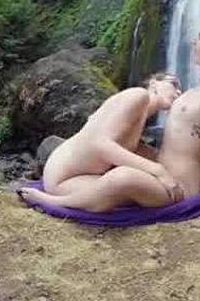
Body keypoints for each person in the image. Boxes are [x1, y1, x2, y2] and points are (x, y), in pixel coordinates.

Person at [19, 18, 200, 213]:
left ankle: (54, 202)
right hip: (161, 175)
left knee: (122, 177)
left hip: (182, 186)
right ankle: (71, 190)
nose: (193, 42)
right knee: (120, 173)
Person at [27, 73, 185, 205]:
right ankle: (52, 201)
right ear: (154, 83)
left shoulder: (141, 115)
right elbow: (100, 144)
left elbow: (136, 152)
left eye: (181, 90)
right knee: (126, 188)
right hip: (63, 177)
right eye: (173, 84)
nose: (178, 92)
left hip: (80, 179)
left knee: (142, 192)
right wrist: (158, 170)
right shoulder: (138, 95)